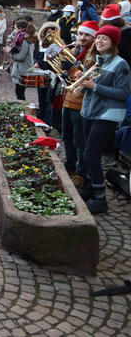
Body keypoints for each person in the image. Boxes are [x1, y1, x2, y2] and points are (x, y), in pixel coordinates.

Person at [78, 25, 131, 214]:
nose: (99, 41)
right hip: (90, 112)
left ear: (113, 43)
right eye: (98, 38)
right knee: (87, 152)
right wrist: (82, 81)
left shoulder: (120, 64)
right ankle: (89, 187)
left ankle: (100, 198)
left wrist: (94, 87)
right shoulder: (95, 61)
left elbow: (123, 93)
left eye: (105, 39)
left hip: (107, 114)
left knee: (91, 154)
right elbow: (86, 89)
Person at [61, 21, 96, 182]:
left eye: (87, 35)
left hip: (80, 103)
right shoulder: (74, 50)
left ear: (93, 37)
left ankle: (81, 173)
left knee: (80, 141)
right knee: (67, 137)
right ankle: (69, 166)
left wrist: (72, 69)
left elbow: (86, 78)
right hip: (67, 99)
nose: (82, 37)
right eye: (81, 34)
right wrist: (63, 70)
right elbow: (67, 74)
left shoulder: (93, 55)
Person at [10, 22, 36, 101]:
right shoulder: (24, 38)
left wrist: (10, 53)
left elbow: (21, 57)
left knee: (20, 93)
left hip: (22, 69)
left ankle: (22, 107)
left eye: (15, 28)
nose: (15, 30)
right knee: (19, 91)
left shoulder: (24, 40)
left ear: (20, 29)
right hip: (23, 68)